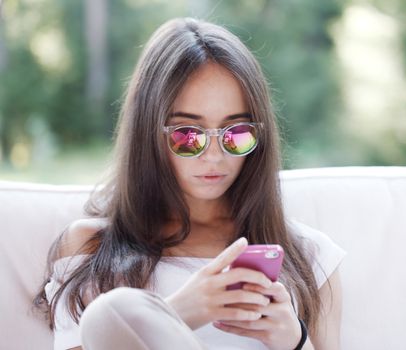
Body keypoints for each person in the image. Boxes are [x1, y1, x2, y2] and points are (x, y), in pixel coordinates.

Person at [34, 17, 346, 350]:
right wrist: (177, 312)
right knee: (111, 313)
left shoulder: (309, 255)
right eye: (188, 135)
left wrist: (295, 341)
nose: (214, 157)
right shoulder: (93, 246)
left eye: (235, 134)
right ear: (149, 134)